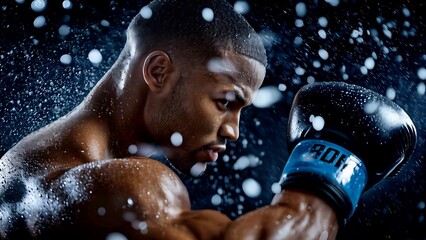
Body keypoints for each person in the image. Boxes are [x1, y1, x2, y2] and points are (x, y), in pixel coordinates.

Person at [0, 0, 340, 239]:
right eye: (225, 102)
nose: (233, 131)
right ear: (158, 72)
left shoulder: (21, 164)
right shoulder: (129, 186)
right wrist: (325, 178)